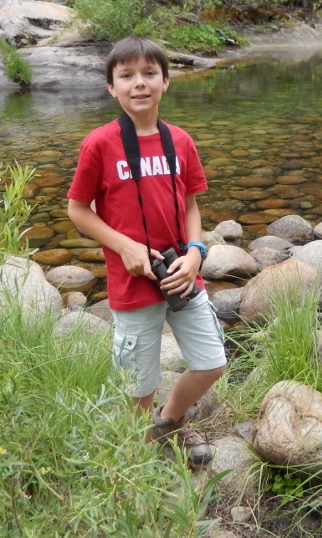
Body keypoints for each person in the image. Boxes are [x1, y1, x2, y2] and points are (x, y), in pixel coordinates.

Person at [66, 36, 226, 466]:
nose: (139, 83)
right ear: (111, 88)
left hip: (182, 273)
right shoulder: (100, 144)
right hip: (132, 281)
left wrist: (196, 252)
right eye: (127, 76)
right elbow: (78, 210)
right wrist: (124, 246)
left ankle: (168, 423)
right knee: (139, 385)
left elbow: (191, 203)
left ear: (166, 82)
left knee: (211, 363)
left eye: (149, 74)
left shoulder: (181, 141)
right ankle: (135, 456)